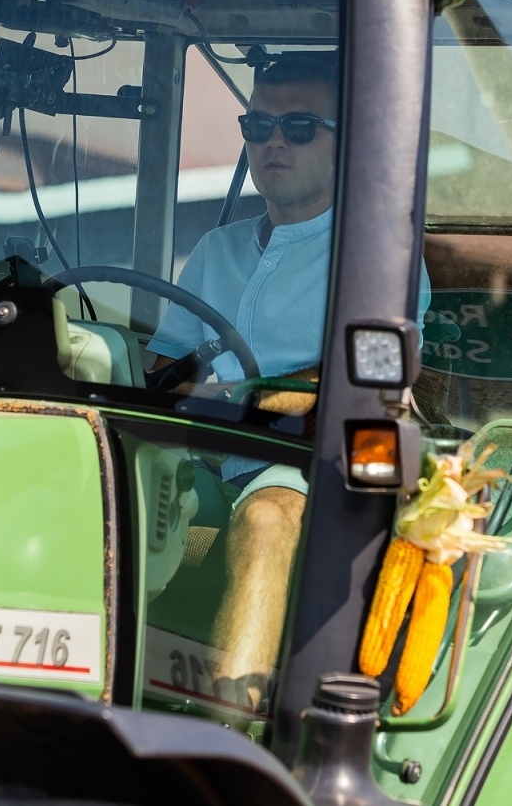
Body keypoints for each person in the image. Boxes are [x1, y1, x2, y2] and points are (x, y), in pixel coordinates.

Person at [148, 53, 429, 711]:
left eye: (299, 127)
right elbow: (162, 372)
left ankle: (227, 754)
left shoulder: (380, 258)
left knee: (270, 522)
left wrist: (236, 395)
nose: (273, 142)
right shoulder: (217, 251)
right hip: (197, 458)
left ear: (345, 140)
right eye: (259, 126)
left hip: (306, 466)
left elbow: (361, 381)